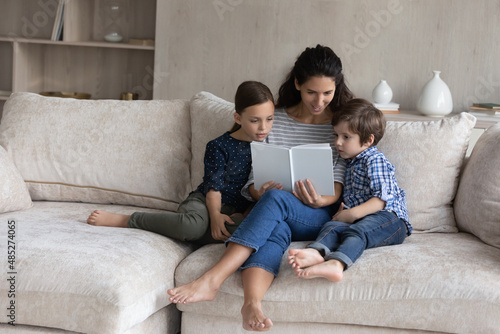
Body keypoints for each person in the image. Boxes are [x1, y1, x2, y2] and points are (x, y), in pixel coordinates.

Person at [167, 45, 354, 331]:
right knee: (274, 225)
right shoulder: (273, 118)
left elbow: (337, 188)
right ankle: (252, 303)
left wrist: (319, 200)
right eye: (311, 92)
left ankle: (213, 279)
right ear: (297, 84)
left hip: (317, 213)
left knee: (277, 202)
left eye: (327, 93)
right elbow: (253, 183)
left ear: (336, 88)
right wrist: (259, 191)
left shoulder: (339, 124)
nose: (319, 101)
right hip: (276, 207)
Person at [86, 81, 275, 244]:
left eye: (269, 119)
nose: (263, 127)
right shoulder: (219, 146)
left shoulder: (268, 148)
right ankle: (128, 220)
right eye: (255, 120)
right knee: (192, 226)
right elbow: (213, 189)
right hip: (203, 203)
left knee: (252, 231)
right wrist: (216, 216)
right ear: (238, 118)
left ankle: (190, 232)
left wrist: (244, 215)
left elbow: (259, 190)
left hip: (235, 212)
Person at [288, 98, 412, 282]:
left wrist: (351, 214)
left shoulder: (374, 160)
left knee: (357, 232)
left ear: (368, 140)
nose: (337, 142)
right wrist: (343, 214)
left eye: (346, 137)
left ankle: (337, 264)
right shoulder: (349, 162)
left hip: (390, 219)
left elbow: (382, 200)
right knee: (332, 227)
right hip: (361, 217)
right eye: (336, 135)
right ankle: (315, 252)